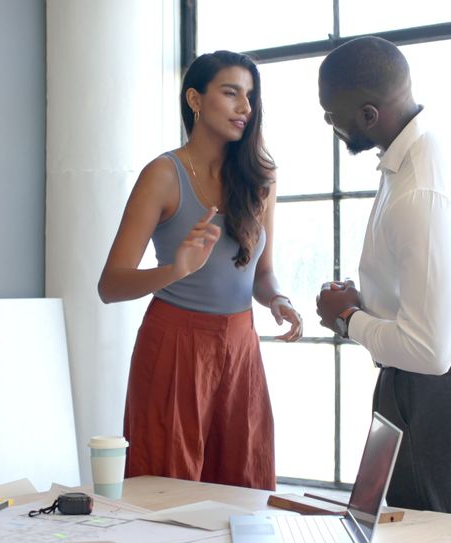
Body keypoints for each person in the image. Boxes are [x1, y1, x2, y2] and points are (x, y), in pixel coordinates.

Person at [314, 37, 451, 516]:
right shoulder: (417, 152)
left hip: (439, 385)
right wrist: (368, 305)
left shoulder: (422, 187)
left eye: (332, 114)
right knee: (399, 534)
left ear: (369, 115)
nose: (329, 125)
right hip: (422, 381)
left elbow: (429, 350)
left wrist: (349, 318)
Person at [98, 50, 302, 491]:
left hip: (241, 344)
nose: (245, 107)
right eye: (231, 93)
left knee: (244, 483)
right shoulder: (163, 175)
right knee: (165, 487)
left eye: (249, 96)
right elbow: (110, 286)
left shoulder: (260, 177)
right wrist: (176, 268)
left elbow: (262, 275)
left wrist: (280, 300)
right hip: (174, 343)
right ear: (195, 98)